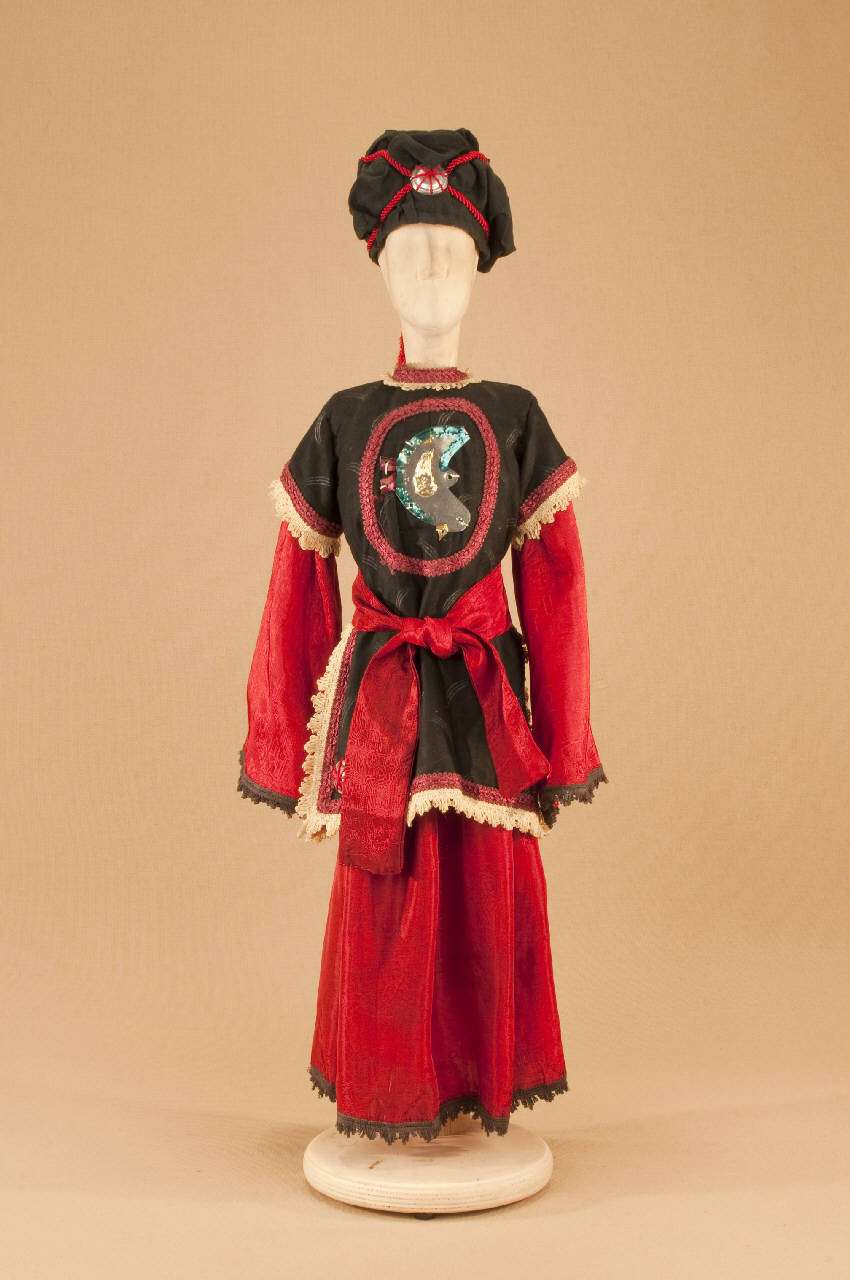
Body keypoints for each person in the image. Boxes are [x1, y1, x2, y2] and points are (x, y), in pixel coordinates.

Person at [237, 128, 607, 1143]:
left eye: (451, 250)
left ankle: (475, 1079)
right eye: (412, 251)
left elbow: (559, 590)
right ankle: (390, 1085)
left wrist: (563, 737)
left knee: (487, 889)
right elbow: (296, 588)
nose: (433, 272)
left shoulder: (516, 416)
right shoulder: (344, 418)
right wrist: (284, 738)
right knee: (386, 894)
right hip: (385, 702)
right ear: (378, 265)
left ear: (482, 265)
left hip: (484, 699)